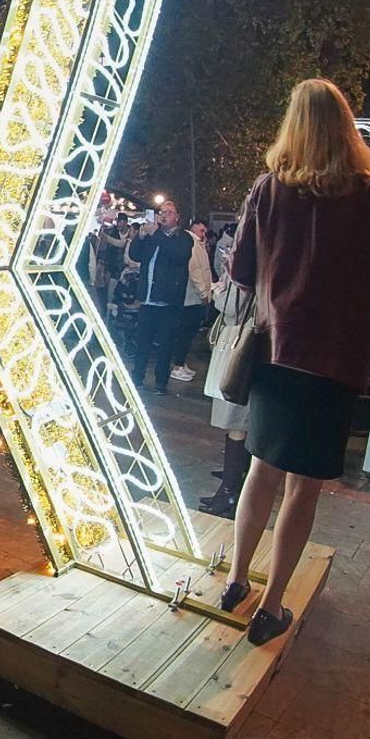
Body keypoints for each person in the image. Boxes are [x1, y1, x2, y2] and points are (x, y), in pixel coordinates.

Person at [221, 79, 370, 645]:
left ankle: (237, 580)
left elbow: (241, 272)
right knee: (302, 487)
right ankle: (271, 608)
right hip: (334, 360)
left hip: (276, 353)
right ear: (345, 128)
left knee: (260, 470)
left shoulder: (266, 190)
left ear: (293, 125)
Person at [199, 220, 249, 519]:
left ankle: (230, 492)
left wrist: (220, 290)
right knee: (236, 422)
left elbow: (232, 306)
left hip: (238, 346)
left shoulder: (246, 266)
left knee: (236, 421)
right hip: (241, 344)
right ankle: (230, 486)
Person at [127, 201, 195, 395]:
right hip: (147, 301)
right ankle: (137, 377)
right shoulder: (151, 237)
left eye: (168, 212)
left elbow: (179, 256)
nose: (163, 215)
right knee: (143, 343)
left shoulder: (183, 238)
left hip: (168, 303)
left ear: (177, 217)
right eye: (161, 212)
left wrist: (155, 234)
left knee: (165, 345)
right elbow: (135, 255)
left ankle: (161, 383)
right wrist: (139, 238)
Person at [169, 218, 213, 384]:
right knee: (185, 333)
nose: (204, 235)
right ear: (194, 228)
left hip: (195, 297)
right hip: (191, 298)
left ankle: (181, 362)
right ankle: (178, 365)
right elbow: (194, 270)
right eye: (202, 231)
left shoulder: (198, 244)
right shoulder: (192, 245)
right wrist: (203, 292)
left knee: (188, 333)